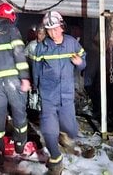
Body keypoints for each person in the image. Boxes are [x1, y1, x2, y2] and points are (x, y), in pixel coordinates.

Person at [31, 10, 86, 175]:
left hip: (67, 95)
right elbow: (36, 70)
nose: (52, 33)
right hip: (48, 95)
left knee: (69, 127)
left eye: (55, 29)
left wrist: (80, 63)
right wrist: (36, 88)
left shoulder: (71, 44)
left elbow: (84, 62)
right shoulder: (42, 48)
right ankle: (55, 159)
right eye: (49, 30)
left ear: (62, 27)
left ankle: (66, 139)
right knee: (48, 131)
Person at [0, 2, 31, 165]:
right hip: (13, 81)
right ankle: (19, 146)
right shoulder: (12, 30)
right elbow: (19, 54)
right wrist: (25, 78)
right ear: (10, 16)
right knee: (19, 114)